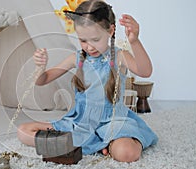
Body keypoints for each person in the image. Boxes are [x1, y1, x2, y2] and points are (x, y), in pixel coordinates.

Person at [17, 0, 158, 163]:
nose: (89, 47)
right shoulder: (76, 58)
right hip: (80, 122)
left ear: (110, 31)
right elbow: (44, 80)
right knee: (24, 131)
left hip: (112, 122)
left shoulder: (119, 56)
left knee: (127, 153)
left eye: (95, 39)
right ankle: (99, 146)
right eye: (83, 40)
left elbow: (145, 72)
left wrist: (134, 41)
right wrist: (40, 68)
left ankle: (98, 144)